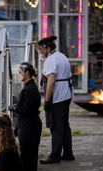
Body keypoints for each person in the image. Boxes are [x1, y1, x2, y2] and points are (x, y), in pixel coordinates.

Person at [37, 35, 75, 164]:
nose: (40, 52)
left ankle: (55, 155)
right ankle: (68, 153)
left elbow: (51, 81)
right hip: (67, 95)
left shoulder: (51, 60)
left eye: (41, 49)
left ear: (47, 47)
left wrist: (47, 101)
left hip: (58, 96)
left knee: (56, 127)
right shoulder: (61, 56)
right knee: (64, 125)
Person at [9, 62, 42, 171]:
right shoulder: (29, 88)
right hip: (27, 126)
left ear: (27, 72)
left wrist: (15, 108)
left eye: (20, 71)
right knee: (27, 155)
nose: (18, 74)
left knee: (29, 156)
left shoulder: (31, 89)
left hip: (30, 127)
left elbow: (27, 109)